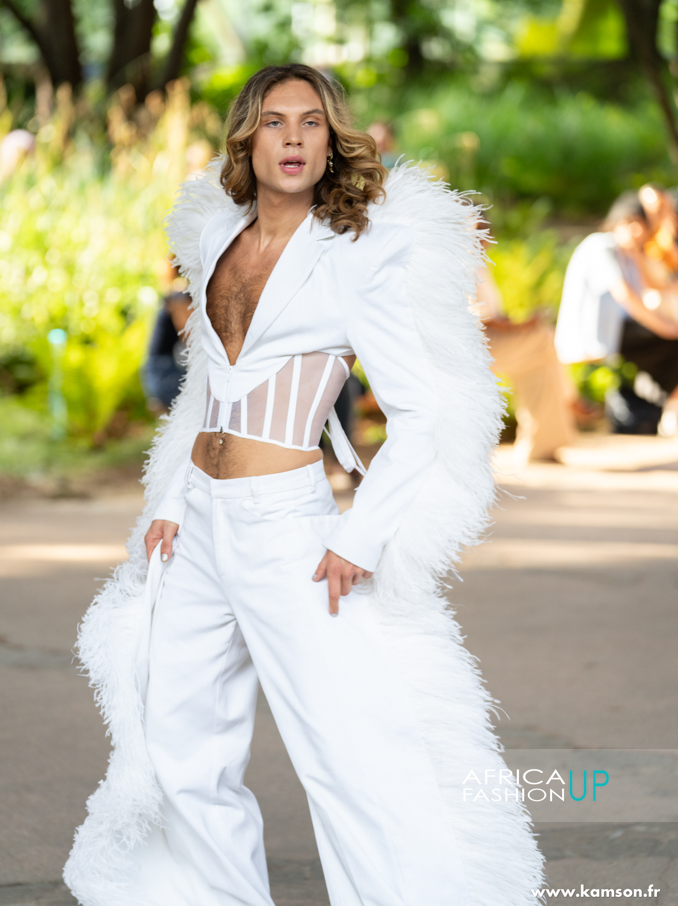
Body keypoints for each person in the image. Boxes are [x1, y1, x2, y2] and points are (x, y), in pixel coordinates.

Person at [64, 64, 543, 906]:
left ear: (330, 143)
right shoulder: (216, 239)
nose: (292, 137)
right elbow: (206, 386)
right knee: (179, 747)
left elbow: (420, 415)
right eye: (275, 121)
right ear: (246, 138)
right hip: (197, 522)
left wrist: (358, 536)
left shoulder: (356, 256)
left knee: (348, 752)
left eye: (311, 122)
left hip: (287, 527)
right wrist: (171, 502)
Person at [555, 192, 678, 435]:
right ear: (617, 220)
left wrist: (637, 254)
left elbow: (646, 290)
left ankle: (665, 407)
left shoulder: (627, 253)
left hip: (619, 329)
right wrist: (666, 328)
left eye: (640, 225)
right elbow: (625, 295)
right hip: (595, 330)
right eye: (630, 223)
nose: (636, 231)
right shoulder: (601, 245)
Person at [473, 224, 575, 464]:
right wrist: (521, 326)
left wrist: (520, 323)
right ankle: (571, 398)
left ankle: (541, 445)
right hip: (472, 346)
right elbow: (478, 316)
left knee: (538, 363)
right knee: (543, 339)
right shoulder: (459, 260)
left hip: (487, 339)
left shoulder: (478, 262)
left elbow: (493, 315)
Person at [143, 268, 193, 412]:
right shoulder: (178, 296)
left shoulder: (177, 293)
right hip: (164, 374)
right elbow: (191, 336)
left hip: (163, 370)